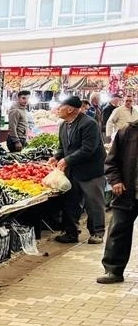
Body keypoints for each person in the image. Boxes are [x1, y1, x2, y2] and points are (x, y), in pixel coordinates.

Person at [51, 95, 106, 245]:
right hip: (72, 171)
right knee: (71, 202)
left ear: (70, 109)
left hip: (91, 171)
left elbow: (88, 149)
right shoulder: (63, 125)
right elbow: (63, 147)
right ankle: (71, 233)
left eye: (60, 107)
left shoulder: (89, 124)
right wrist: (56, 156)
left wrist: (67, 160)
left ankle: (97, 233)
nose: (57, 110)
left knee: (93, 203)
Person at [99, 122, 137, 284]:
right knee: (118, 231)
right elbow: (111, 161)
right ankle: (113, 270)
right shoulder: (128, 131)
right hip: (127, 192)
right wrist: (115, 181)